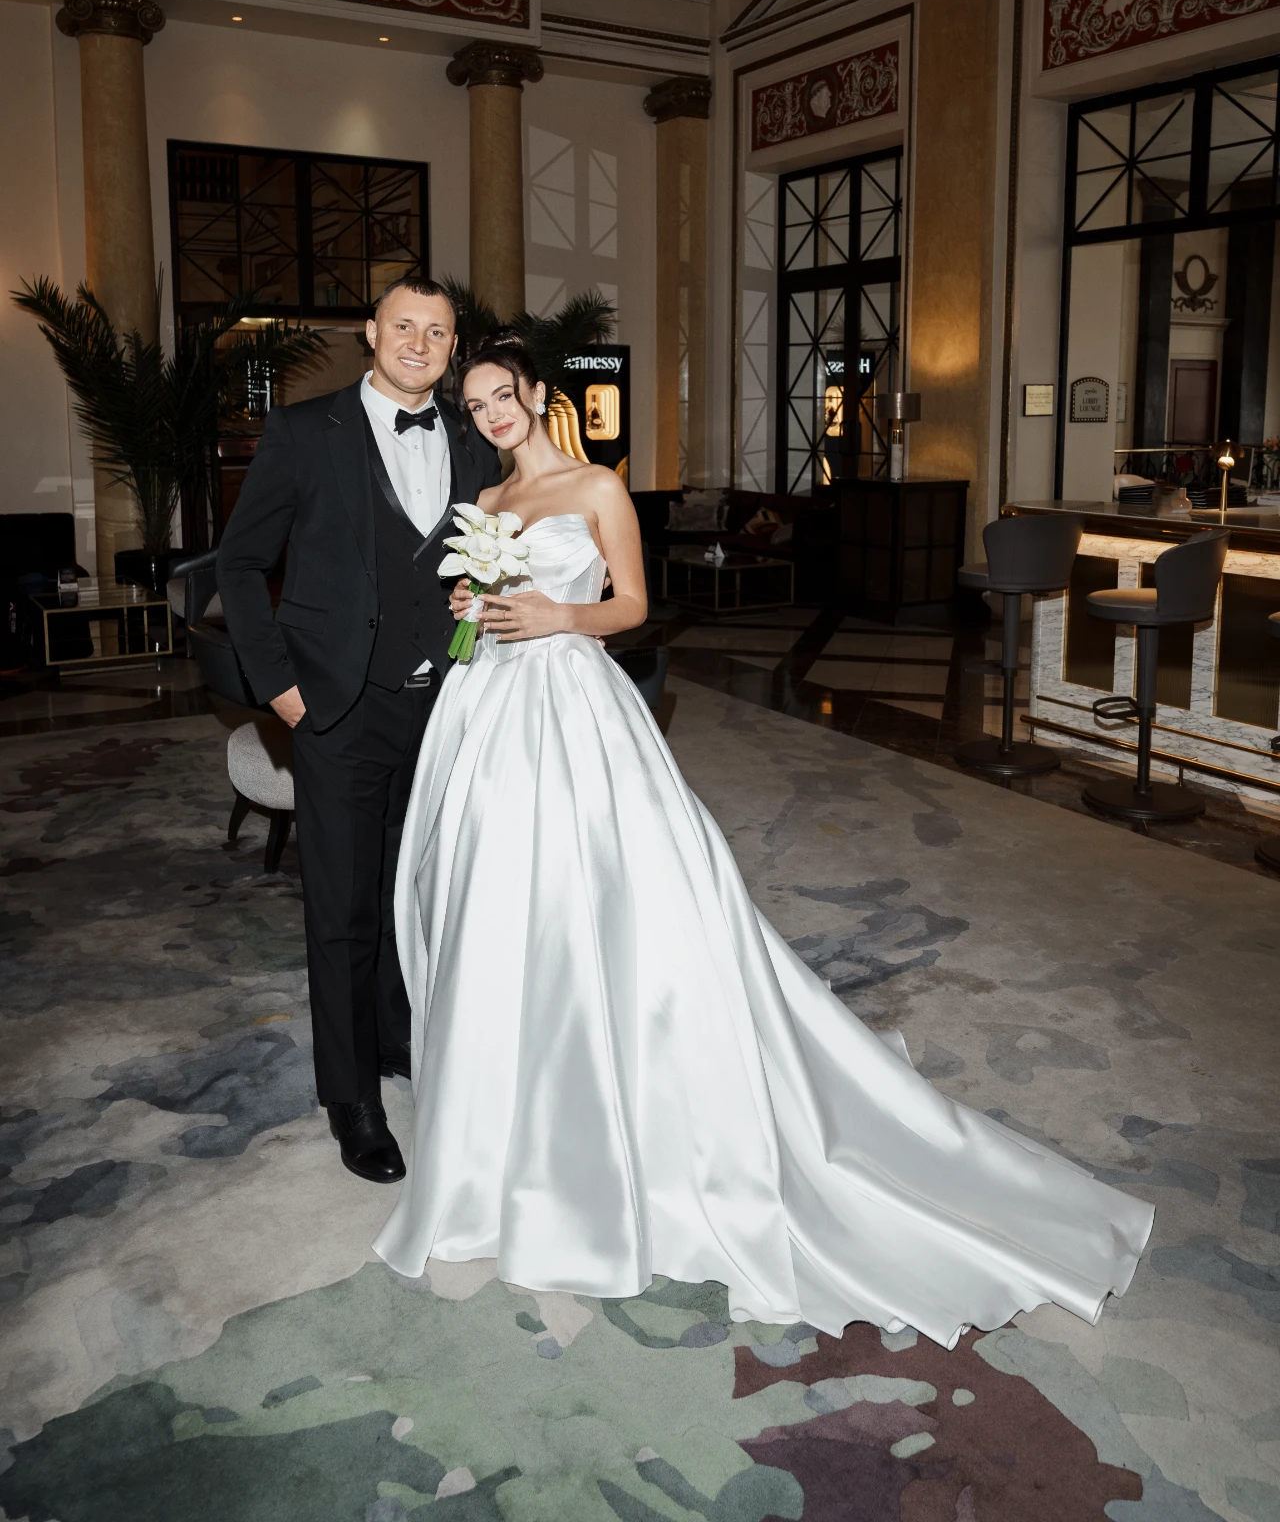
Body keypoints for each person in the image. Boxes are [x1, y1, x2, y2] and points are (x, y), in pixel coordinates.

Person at [372, 332, 1154, 1348]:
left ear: (534, 394)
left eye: (501, 396)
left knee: (600, 898)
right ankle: (505, 1116)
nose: (490, 415)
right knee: (492, 905)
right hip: (487, 716)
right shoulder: (483, 507)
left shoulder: (598, 488)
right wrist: (471, 611)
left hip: (571, 706)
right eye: (474, 406)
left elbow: (634, 607)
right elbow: (468, 614)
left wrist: (558, 615)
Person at [216, 278, 501, 1184]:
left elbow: (491, 560)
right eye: (404, 325)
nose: (419, 342)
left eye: (438, 332)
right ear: (371, 332)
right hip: (334, 707)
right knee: (340, 908)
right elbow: (241, 560)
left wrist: (480, 608)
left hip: (444, 704)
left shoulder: (472, 440)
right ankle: (352, 1097)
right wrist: (282, 689)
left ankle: (398, 1039)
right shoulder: (305, 432)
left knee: (416, 886)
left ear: (454, 350)